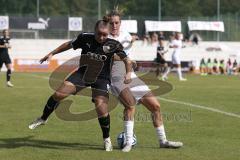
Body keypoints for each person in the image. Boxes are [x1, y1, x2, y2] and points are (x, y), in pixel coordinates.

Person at [28, 19, 132, 152]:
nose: (101, 37)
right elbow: (68, 44)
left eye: (105, 35)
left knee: (101, 108)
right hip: (82, 74)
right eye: (99, 34)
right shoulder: (84, 37)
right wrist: (52, 53)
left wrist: (128, 74)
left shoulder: (114, 44)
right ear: (94, 30)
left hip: (101, 79)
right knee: (58, 94)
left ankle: (106, 139)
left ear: (108, 33)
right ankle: (43, 118)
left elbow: (127, 60)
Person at [105, 10, 183, 152]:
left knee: (155, 106)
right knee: (130, 105)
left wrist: (130, 59)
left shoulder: (125, 35)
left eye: (117, 23)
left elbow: (126, 51)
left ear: (120, 23)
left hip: (131, 75)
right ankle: (128, 142)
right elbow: (111, 57)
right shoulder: (104, 38)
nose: (114, 25)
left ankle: (163, 141)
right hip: (116, 78)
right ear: (107, 24)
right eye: (112, 23)